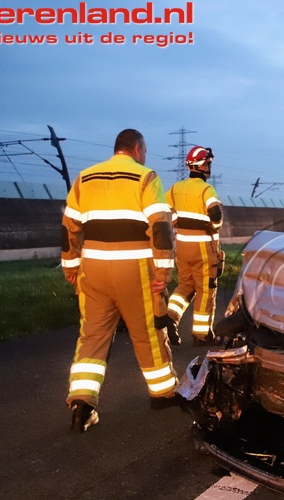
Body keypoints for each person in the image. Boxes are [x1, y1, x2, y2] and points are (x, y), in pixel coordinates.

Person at [61, 128, 178, 432]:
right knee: (148, 332)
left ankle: (82, 404)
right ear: (137, 148)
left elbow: (69, 227)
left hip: (93, 269)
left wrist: (70, 268)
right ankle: (163, 393)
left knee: (92, 336)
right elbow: (161, 226)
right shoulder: (145, 177)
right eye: (145, 150)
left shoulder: (85, 178)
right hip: (134, 269)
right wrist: (163, 273)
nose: (145, 156)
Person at [165, 146, 224, 346]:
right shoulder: (206, 189)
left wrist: (176, 222)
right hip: (203, 248)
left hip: (182, 247)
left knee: (185, 285)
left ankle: (169, 318)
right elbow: (215, 213)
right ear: (203, 166)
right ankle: (202, 335)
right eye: (208, 163)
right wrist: (214, 227)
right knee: (205, 289)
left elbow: (164, 209)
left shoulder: (175, 188)